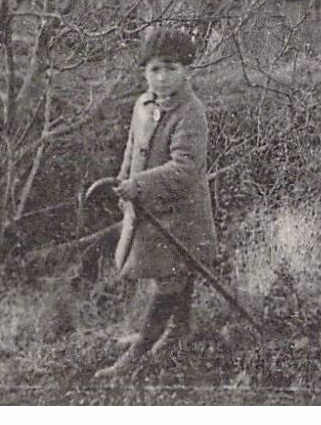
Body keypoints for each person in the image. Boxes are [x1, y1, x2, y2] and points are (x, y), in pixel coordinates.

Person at [94, 26, 219, 380]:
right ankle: (178, 329)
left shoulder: (191, 112)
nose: (162, 78)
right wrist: (123, 182)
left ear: (187, 71)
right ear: (144, 72)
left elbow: (185, 167)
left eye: (171, 68)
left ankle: (137, 354)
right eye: (154, 69)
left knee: (172, 275)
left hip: (180, 211)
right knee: (170, 272)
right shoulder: (142, 105)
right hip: (146, 206)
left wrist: (139, 184)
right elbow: (132, 148)